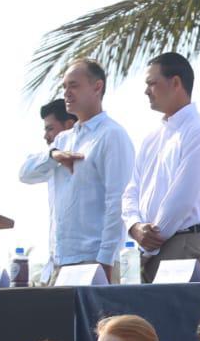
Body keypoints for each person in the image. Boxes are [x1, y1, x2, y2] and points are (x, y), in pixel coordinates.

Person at [123, 51, 200, 282]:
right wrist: (134, 226)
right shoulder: (151, 137)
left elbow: (182, 199)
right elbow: (131, 190)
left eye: (152, 84)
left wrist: (148, 246)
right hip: (148, 251)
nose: (147, 91)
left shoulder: (199, 131)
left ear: (175, 82)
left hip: (183, 245)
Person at [49, 58, 136, 278]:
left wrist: (106, 259)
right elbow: (26, 172)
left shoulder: (112, 135)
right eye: (65, 87)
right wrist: (53, 155)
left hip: (95, 260)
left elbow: (117, 201)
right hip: (62, 260)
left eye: (74, 85)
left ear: (97, 87)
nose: (67, 93)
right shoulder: (62, 139)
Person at [18, 98, 77, 282]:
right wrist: (53, 156)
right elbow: (24, 173)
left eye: (50, 128)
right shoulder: (50, 161)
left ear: (68, 125)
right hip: (57, 262)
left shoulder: (89, 152)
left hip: (88, 262)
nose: (46, 136)